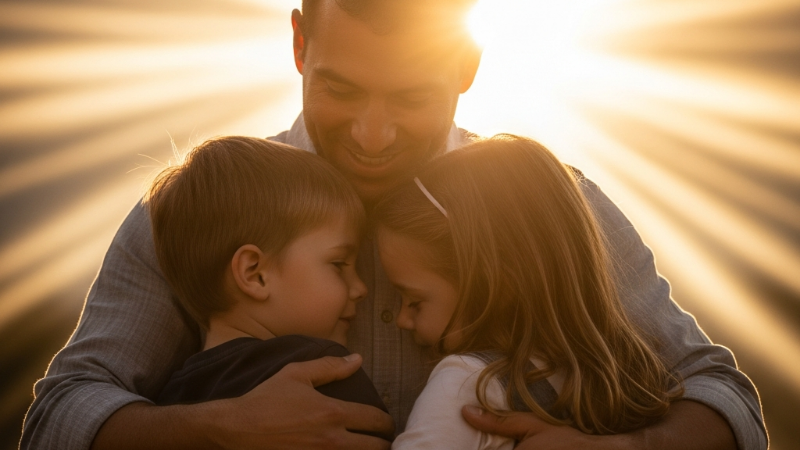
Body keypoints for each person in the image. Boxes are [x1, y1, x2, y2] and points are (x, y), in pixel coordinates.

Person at [21, 1, 767, 449]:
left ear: (468, 64)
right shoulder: (198, 205)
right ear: (299, 44)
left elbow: (721, 397)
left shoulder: (547, 206)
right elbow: (60, 414)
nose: (372, 134)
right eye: (340, 89)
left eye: (410, 96)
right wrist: (220, 430)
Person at [373, 134, 682, 449]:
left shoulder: (464, 383)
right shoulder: (624, 374)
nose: (402, 319)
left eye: (415, 302)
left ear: (493, 284)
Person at [140, 136, 390, 442]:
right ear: (254, 274)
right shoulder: (322, 378)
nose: (360, 288)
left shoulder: (164, 401)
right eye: (339, 264)